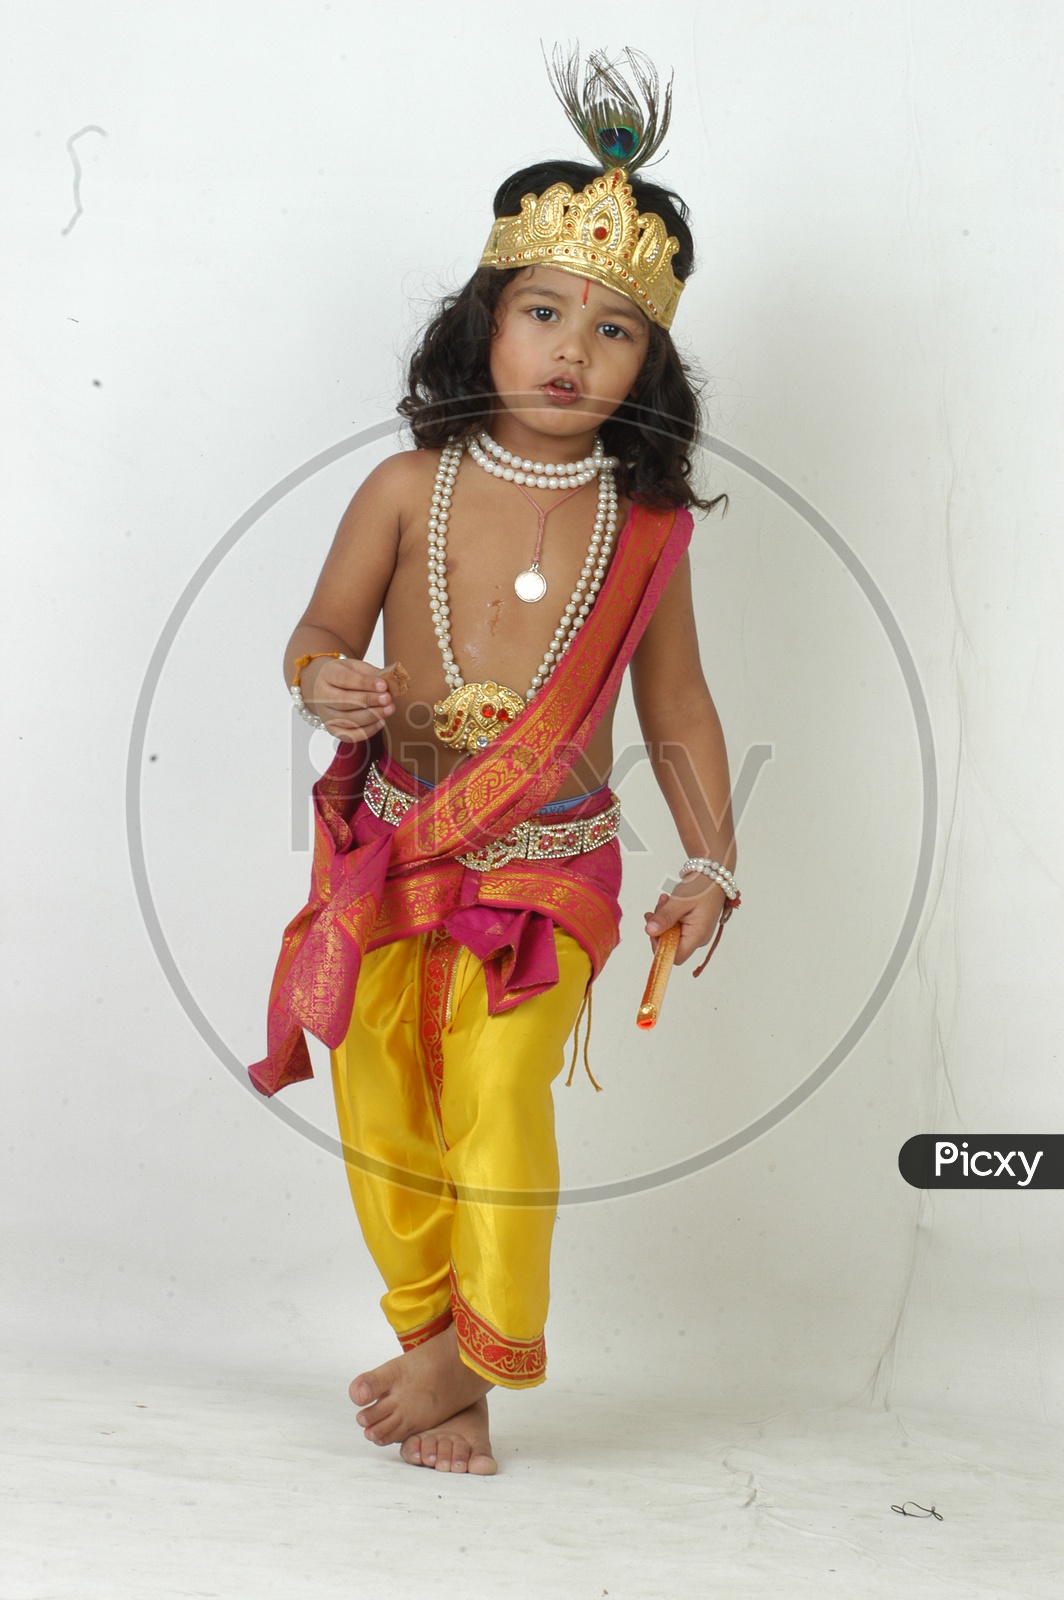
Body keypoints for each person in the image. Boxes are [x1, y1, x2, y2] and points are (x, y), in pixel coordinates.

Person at [250, 46, 740, 1476]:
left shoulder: (647, 527)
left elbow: (684, 707)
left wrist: (713, 855)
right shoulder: (407, 484)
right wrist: (323, 679)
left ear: (653, 366)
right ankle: (425, 1334)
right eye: (541, 312)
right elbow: (317, 630)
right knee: (384, 1102)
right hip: (395, 847)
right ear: (484, 326)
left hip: (549, 871)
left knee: (501, 1092)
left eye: (613, 331)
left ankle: (480, 1352)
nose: (571, 350)